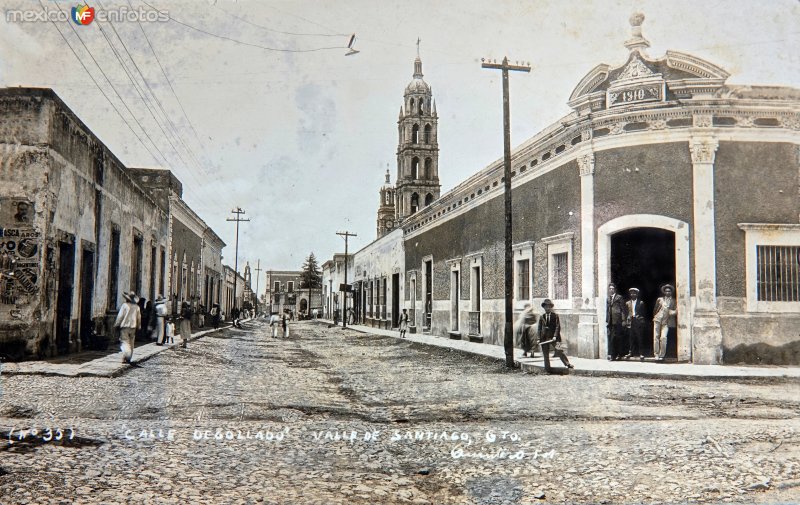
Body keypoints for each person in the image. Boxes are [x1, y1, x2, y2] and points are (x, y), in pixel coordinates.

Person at [537, 299, 573, 372]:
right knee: (545, 354)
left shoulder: (555, 316)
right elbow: (539, 328)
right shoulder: (542, 317)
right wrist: (538, 338)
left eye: (549, 307)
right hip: (544, 338)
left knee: (559, 351)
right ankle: (547, 369)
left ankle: (567, 364)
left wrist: (555, 336)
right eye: (546, 307)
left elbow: (557, 326)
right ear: (544, 308)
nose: (547, 308)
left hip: (553, 338)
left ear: (551, 307)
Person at [114, 292, 141, 364]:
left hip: (125, 326)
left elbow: (120, 316)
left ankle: (127, 354)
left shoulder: (124, 306)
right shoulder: (137, 307)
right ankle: (127, 358)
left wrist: (117, 324)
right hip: (133, 327)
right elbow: (138, 318)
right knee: (131, 342)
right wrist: (138, 326)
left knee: (124, 342)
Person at [653, 284, 677, 361]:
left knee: (663, 337)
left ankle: (662, 354)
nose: (667, 292)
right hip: (657, 320)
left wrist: (671, 312)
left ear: (671, 292)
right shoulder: (660, 299)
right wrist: (656, 316)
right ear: (664, 292)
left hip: (667, 322)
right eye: (666, 291)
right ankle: (656, 354)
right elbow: (655, 309)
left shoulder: (674, 301)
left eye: (669, 291)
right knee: (656, 337)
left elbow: (676, 311)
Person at [606, 283, 627, 361]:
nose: (611, 290)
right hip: (610, 321)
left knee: (618, 338)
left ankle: (619, 354)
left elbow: (623, 309)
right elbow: (607, 310)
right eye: (610, 289)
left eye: (612, 288)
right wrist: (607, 320)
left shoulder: (619, 297)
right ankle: (612, 355)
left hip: (618, 321)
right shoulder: (608, 299)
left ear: (615, 289)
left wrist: (623, 320)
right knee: (611, 338)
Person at [625, 287, 647, 361]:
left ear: (637, 294)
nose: (633, 294)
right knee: (631, 338)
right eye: (631, 293)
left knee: (639, 337)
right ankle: (630, 352)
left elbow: (644, 313)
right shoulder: (627, 303)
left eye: (634, 293)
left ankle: (641, 353)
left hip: (638, 321)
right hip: (630, 321)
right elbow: (626, 313)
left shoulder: (641, 303)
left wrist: (641, 320)